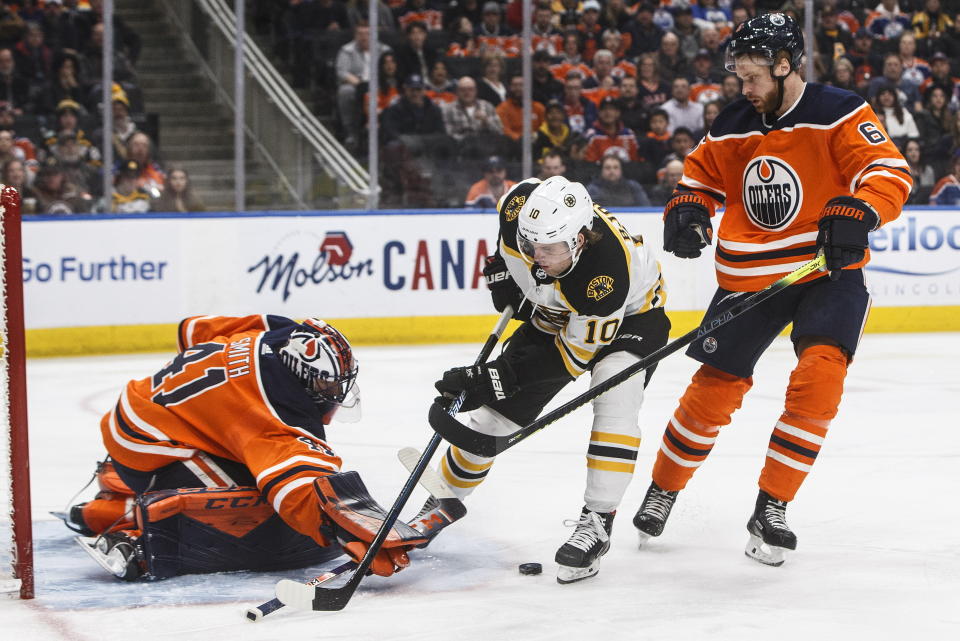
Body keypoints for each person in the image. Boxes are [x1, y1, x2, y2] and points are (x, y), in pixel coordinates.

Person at [631, 13, 911, 567]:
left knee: (820, 378)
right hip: (749, 274)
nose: (745, 87)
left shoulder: (839, 111)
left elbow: (888, 172)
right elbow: (698, 179)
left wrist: (863, 209)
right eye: (739, 76)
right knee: (713, 389)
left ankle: (773, 505)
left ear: (786, 66)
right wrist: (687, 209)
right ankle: (663, 488)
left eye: (754, 76)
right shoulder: (735, 121)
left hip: (825, 269)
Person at [64, 316, 441, 581]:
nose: (333, 395)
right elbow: (294, 488)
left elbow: (194, 329)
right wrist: (346, 532)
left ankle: (119, 485)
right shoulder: (271, 412)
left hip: (145, 411)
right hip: (154, 442)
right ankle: (129, 529)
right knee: (256, 512)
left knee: (240, 462)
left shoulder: (279, 332)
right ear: (304, 378)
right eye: (327, 387)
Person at [427, 174, 671, 584]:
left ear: (579, 240)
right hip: (558, 312)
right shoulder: (518, 207)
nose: (536, 255)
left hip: (632, 317)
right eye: (530, 244)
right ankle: (441, 501)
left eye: (549, 248)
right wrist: (502, 272)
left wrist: (498, 377)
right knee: (491, 419)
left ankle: (597, 521)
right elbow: (510, 249)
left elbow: (572, 356)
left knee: (614, 396)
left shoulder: (604, 279)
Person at [586, 152, 651, 206]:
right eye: (607, 168)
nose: (612, 171)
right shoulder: (592, 189)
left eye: (616, 167)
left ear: (621, 170)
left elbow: (646, 207)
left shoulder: (633, 186)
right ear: (601, 170)